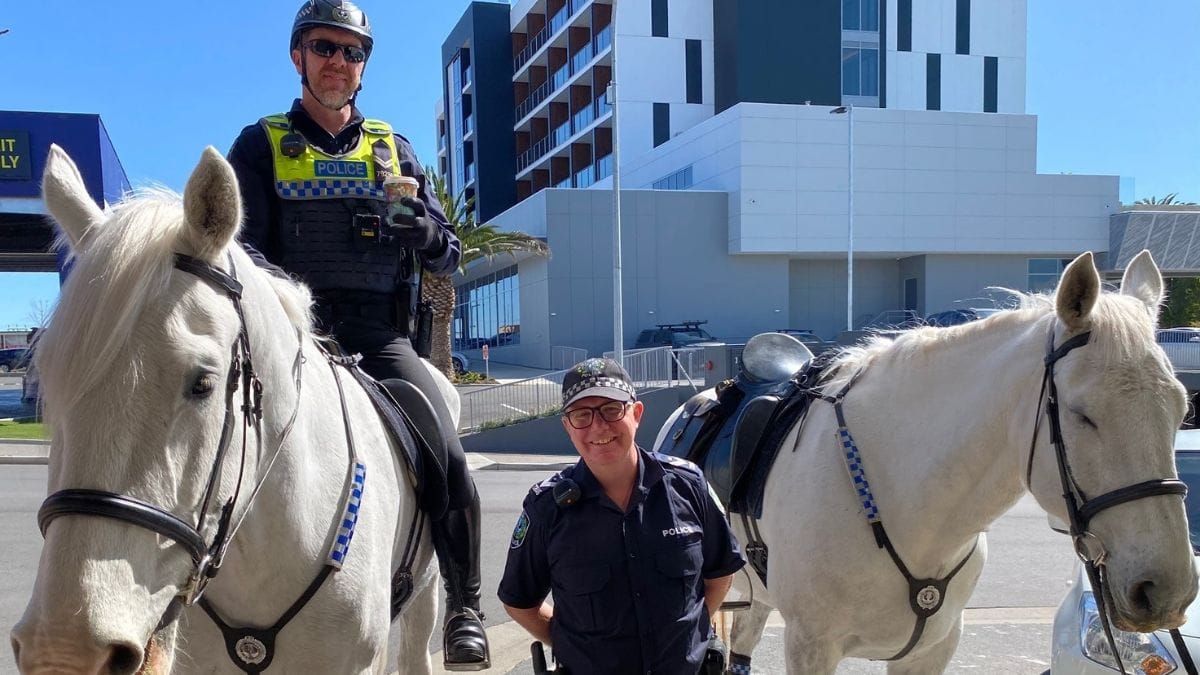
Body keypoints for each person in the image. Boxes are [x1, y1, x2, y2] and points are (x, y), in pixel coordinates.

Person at [226, 1, 488, 668]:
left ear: (364, 65)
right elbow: (238, 252)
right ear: (298, 56)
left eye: (352, 51)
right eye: (324, 47)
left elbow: (447, 254)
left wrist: (423, 231)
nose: (338, 62)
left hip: (376, 336)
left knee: (445, 449)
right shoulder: (259, 145)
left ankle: (463, 605)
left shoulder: (393, 150)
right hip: (286, 333)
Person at [498, 358, 745, 674]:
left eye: (611, 410)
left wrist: (687, 636)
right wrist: (574, 646)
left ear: (636, 414)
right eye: (581, 415)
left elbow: (720, 572)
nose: (598, 427)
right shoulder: (546, 508)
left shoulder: (687, 484)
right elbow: (520, 603)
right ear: (567, 426)